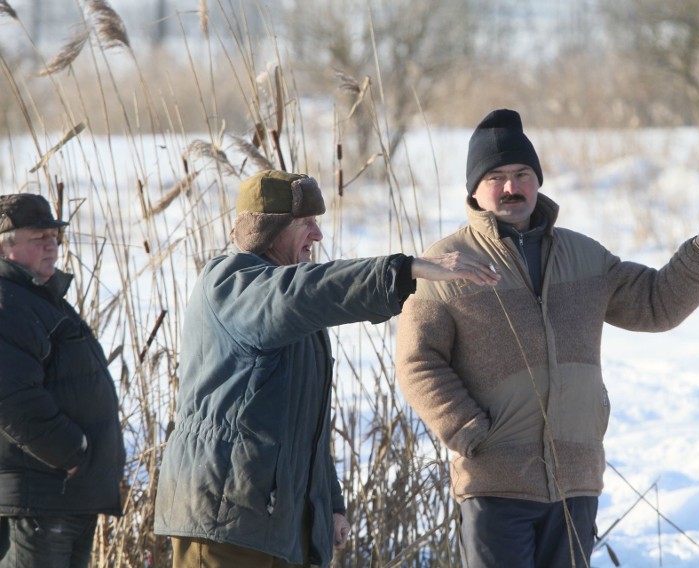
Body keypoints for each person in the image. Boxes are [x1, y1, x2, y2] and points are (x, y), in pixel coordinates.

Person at [395, 109, 699, 568]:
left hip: (576, 477)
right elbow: (417, 361)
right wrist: (469, 430)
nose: (511, 187)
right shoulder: (444, 263)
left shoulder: (583, 255)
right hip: (495, 479)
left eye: (522, 174)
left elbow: (655, 303)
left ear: (537, 181)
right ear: (474, 189)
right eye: (497, 177)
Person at [153, 169, 499, 568]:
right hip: (225, 522)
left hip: (274, 526)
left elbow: (305, 427)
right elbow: (304, 292)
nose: (317, 235)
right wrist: (405, 270)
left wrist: (328, 504)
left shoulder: (291, 310)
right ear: (268, 232)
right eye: (305, 224)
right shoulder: (232, 285)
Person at [0, 193, 125, 568]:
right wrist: (72, 454)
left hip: (66, 496)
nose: (52, 245)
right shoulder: (7, 304)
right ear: (5, 248)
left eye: (55, 236)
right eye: (38, 238)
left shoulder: (39, 298)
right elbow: (12, 398)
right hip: (40, 499)